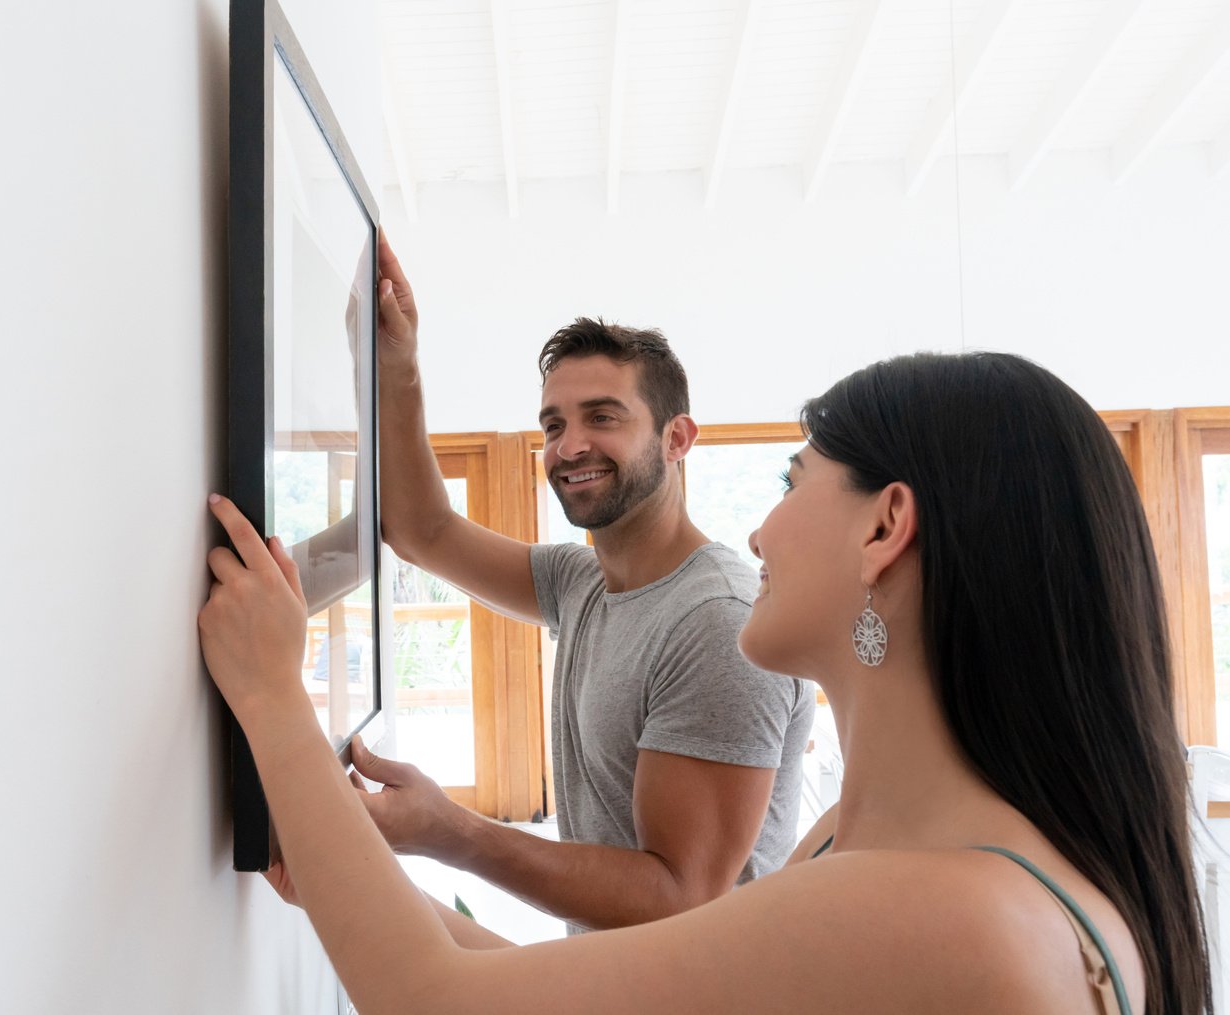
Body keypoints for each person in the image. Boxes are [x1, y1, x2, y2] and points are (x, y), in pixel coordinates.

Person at [200, 350, 1210, 1013]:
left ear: (884, 526)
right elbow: (505, 983)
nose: (764, 529)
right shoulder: (863, 850)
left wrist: (272, 692)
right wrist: (350, 874)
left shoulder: (946, 911)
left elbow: (432, 1003)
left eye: (792, 478)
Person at [349, 238, 812, 931]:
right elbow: (423, 530)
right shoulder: (582, 581)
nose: (568, 446)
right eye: (553, 424)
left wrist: (451, 832)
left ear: (677, 438)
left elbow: (677, 894)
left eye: (602, 416)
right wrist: (398, 366)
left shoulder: (716, 622)